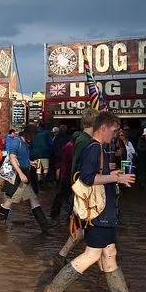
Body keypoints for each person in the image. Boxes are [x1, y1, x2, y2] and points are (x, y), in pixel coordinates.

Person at [43, 111, 146, 292]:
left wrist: (111, 174)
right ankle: (54, 289)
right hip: (99, 212)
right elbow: (88, 178)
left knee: (110, 253)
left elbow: (93, 174)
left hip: (103, 210)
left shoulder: (96, 147)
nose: (116, 134)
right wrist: (117, 179)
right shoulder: (93, 148)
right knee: (93, 254)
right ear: (103, 128)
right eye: (114, 130)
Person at [51, 107, 99, 266]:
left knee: (84, 228)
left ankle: (61, 256)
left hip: (80, 188)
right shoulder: (86, 142)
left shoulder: (79, 140)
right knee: (93, 231)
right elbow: (80, 170)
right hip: (84, 190)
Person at [0, 130, 50, 234]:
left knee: (33, 199)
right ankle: (0, 225)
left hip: (25, 174)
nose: (34, 138)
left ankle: (44, 226)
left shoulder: (25, 144)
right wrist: (20, 174)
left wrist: (30, 162)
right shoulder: (17, 142)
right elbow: (12, 158)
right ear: (27, 134)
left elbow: (22, 158)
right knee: (9, 200)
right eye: (32, 135)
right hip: (17, 176)